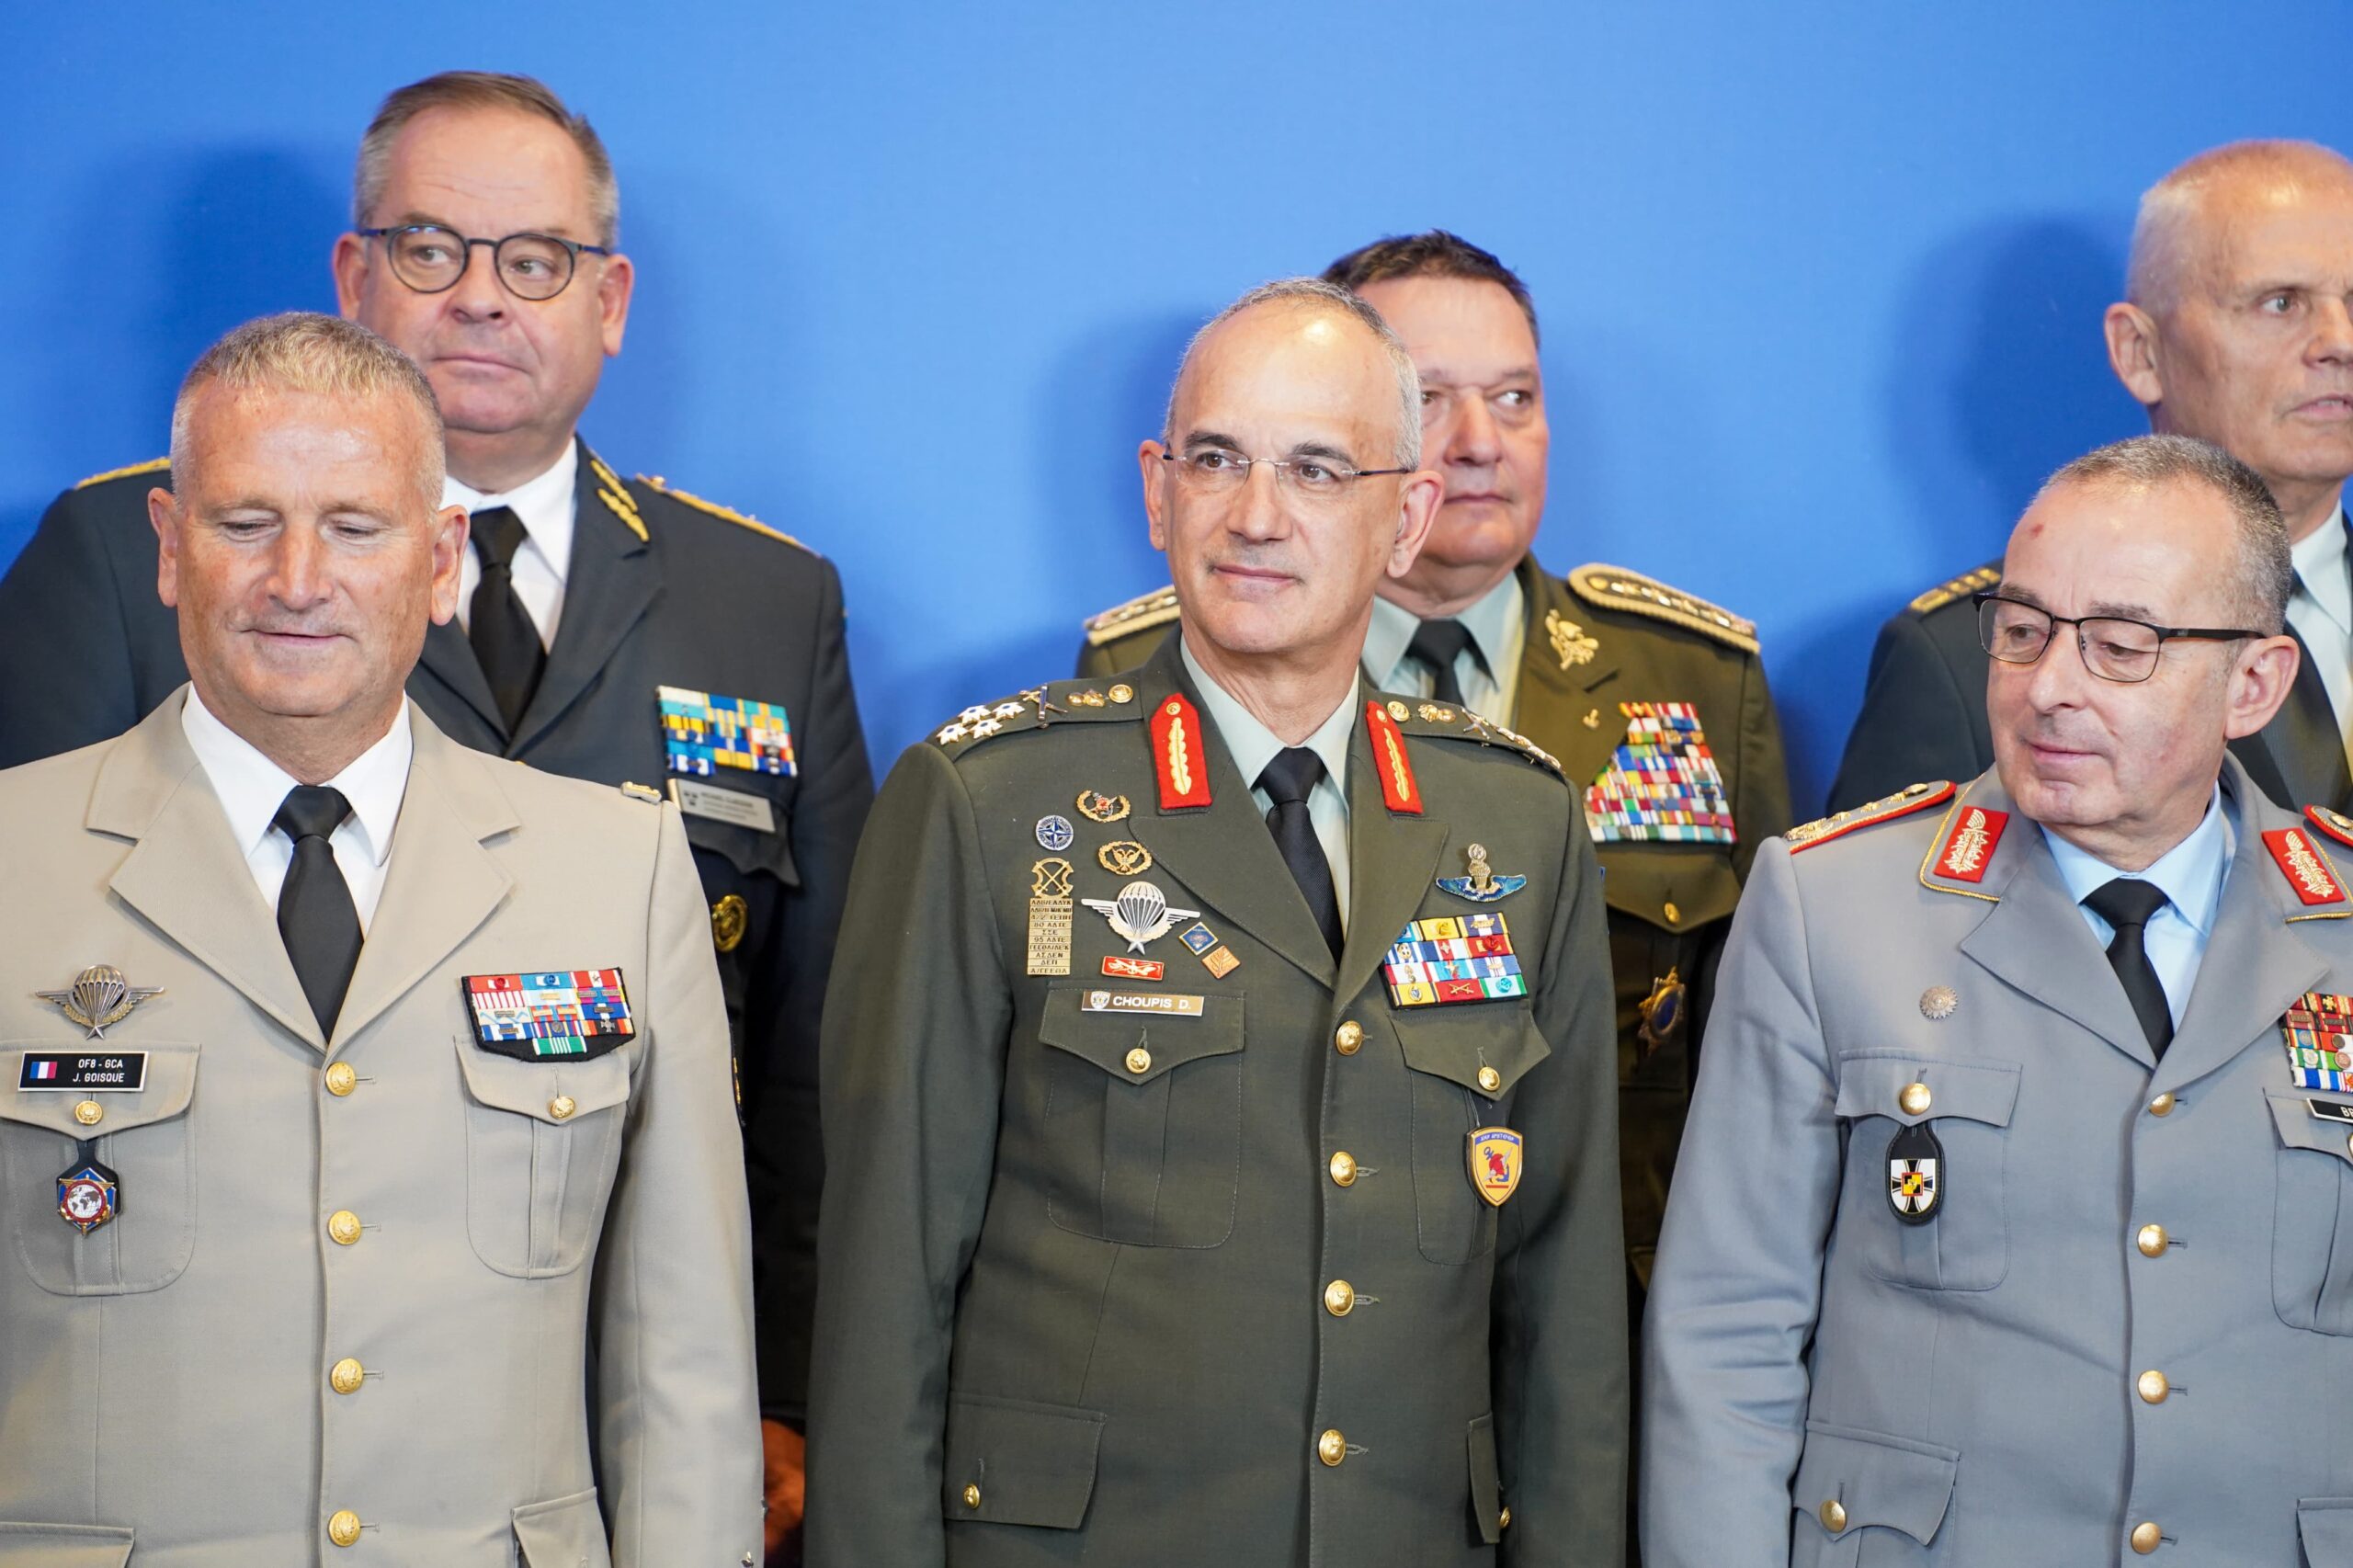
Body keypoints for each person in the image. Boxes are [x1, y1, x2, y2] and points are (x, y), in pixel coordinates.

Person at [0, 73, 866, 1543]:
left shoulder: (762, 602)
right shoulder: (98, 573)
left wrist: (781, 1385)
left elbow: (806, 1055)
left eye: (532, 259)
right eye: (429, 249)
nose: (299, 581)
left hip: (558, 1407)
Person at [807, 278, 1626, 1564]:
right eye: (1215, 459)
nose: (1254, 514)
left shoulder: (1516, 823)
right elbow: (883, 1288)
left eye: (1316, 469)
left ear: (1406, 517)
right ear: (1156, 491)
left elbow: (1564, 1295)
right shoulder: (990, 805)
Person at [1080, 231, 1790, 1369]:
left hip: (1611, 1331)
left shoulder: (1697, 683)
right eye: (1430, 399)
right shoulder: (1144, 673)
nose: (1478, 443)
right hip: (1283, 1333)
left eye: (1514, 398)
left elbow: (1762, 1078)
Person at [1643, 434, 2353, 1563]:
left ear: (2254, 684)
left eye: (2120, 645)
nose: (2048, 687)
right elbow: (1726, 1334)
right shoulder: (1830, 904)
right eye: (2022, 631)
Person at [1830, 140, 2353, 817]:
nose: (2340, 342)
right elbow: (1894, 887)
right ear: (2141, 352)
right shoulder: (1966, 661)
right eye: (2280, 303)